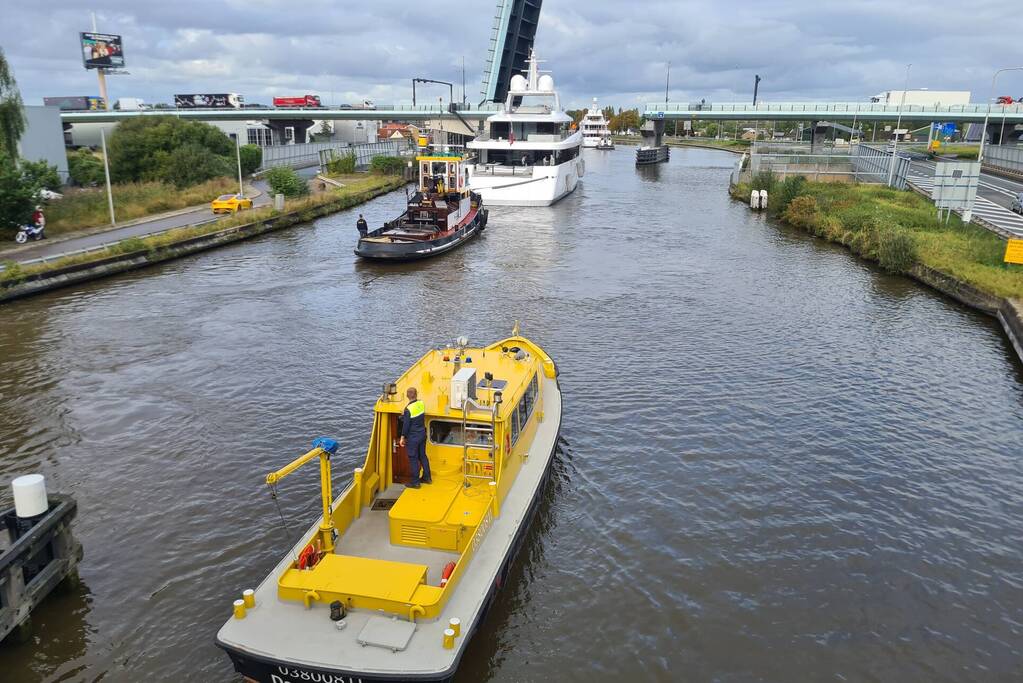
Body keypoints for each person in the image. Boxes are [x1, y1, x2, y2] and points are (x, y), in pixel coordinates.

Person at [399, 387, 431, 488]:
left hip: (413, 437)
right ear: (416, 394)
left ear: (407, 396)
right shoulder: (421, 403)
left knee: (413, 458)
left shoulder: (408, 409)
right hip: (422, 434)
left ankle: (415, 482)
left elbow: (406, 425)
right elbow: (416, 416)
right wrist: (405, 416)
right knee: (422, 456)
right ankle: (427, 478)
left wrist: (402, 437)